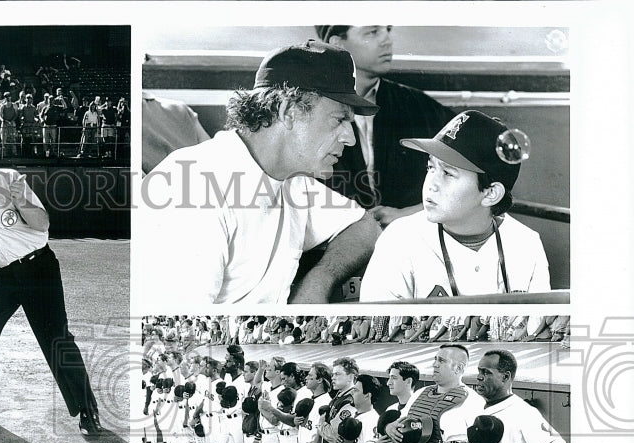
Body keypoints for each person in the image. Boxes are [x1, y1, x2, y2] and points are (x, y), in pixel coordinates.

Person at [141, 41, 380, 305]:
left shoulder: (292, 179)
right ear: (289, 112)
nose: (350, 138)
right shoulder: (192, 189)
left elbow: (364, 225)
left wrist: (319, 281)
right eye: (339, 119)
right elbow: (176, 334)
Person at [0, 128, 102, 436]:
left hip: (37, 268)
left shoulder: (6, 179)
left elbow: (43, 223)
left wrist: (20, 201)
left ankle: (86, 409)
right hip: (0, 278)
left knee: (57, 339)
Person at [360, 110, 551, 300]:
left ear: (491, 193)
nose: (430, 184)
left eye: (448, 173)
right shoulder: (399, 240)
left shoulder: (527, 244)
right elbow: (378, 327)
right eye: (431, 167)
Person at [315, 26, 454, 225]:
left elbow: (479, 167)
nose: (387, 40)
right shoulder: (309, 109)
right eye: (372, 32)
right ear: (337, 44)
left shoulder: (419, 106)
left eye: (387, 30)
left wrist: (411, 214)